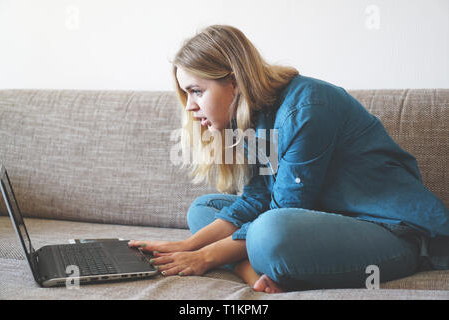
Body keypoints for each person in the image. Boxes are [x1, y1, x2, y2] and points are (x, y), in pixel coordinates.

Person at [129, 25, 449, 293]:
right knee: (204, 209)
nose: (189, 106)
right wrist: (189, 246)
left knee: (269, 232)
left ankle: (251, 265)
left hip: (390, 234)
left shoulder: (306, 108)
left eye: (196, 91)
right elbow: (259, 196)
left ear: (234, 81)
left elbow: (286, 209)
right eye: (186, 94)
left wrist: (205, 257)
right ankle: (252, 272)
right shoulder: (256, 115)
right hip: (315, 222)